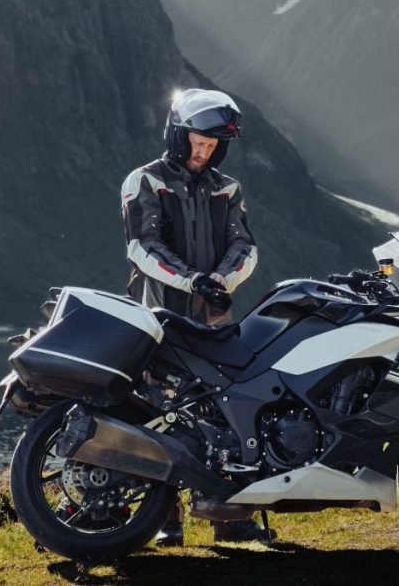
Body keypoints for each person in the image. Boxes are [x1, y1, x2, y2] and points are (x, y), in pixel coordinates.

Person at [120, 88, 270, 545]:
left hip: (212, 321)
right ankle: (167, 522)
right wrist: (191, 280)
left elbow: (244, 246)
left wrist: (222, 280)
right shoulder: (143, 182)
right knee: (157, 418)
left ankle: (230, 518)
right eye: (197, 142)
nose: (204, 152)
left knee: (225, 415)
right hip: (159, 320)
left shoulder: (227, 188)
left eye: (213, 145)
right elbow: (141, 246)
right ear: (177, 135)